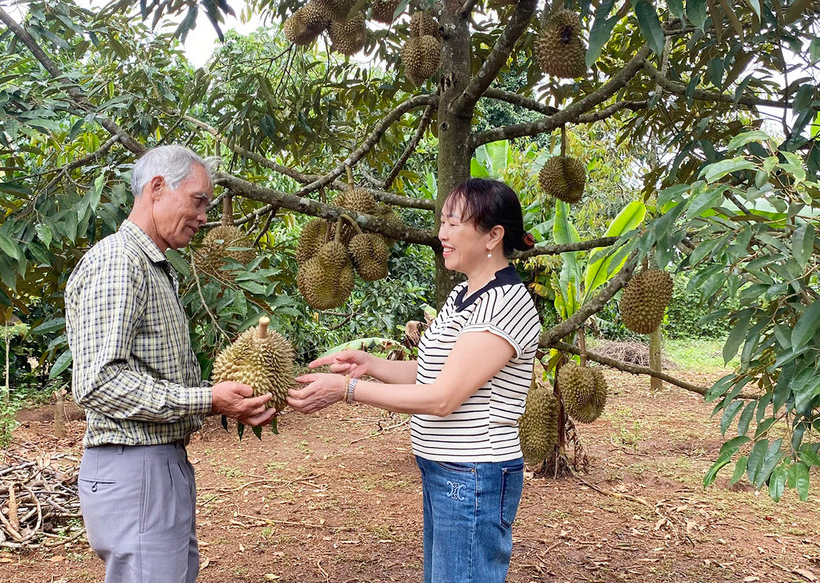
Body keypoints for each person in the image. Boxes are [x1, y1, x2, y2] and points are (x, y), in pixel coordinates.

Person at [289, 178, 541, 583]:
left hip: (474, 473)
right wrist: (369, 363)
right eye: (443, 221)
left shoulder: (505, 304)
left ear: (494, 235)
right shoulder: (465, 294)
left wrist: (348, 391)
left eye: (455, 223)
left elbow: (443, 398)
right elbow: (430, 373)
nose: (442, 233)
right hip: (444, 469)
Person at [64, 145, 276, 583]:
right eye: (198, 202)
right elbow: (98, 382)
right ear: (157, 188)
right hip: (134, 466)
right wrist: (207, 399)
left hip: (158, 464)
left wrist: (220, 397)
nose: (203, 217)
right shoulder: (118, 263)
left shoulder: (154, 267)